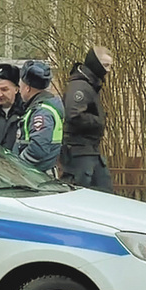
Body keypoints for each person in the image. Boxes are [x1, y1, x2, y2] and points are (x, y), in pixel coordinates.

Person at [60, 46, 114, 192]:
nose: (108, 70)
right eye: (105, 65)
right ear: (96, 64)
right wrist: (99, 121)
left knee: (104, 192)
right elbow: (74, 115)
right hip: (79, 152)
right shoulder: (80, 86)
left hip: (90, 151)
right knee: (80, 193)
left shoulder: (89, 85)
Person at [13, 60, 65, 175]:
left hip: (37, 176)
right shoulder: (42, 107)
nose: (19, 90)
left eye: (20, 86)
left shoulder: (42, 112)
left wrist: (19, 166)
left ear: (27, 88)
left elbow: (38, 149)